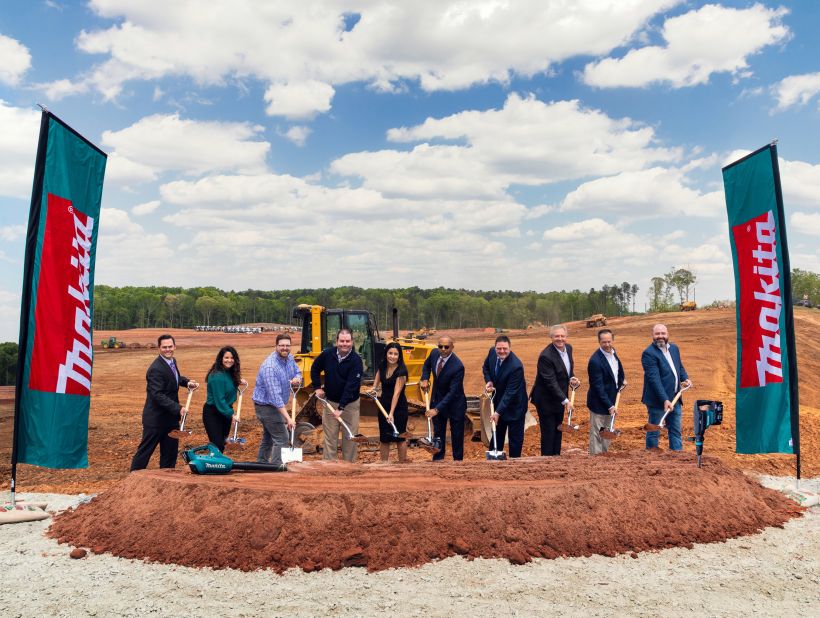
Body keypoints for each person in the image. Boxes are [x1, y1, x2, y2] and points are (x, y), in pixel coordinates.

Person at [130, 334, 198, 471]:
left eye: (170, 346)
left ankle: (166, 480)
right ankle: (133, 479)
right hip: (156, 420)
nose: (168, 349)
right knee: (145, 452)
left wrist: (187, 382)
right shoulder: (155, 369)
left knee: (170, 453)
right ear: (159, 349)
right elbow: (157, 395)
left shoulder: (172, 362)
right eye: (164, 347)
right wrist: (178, 408)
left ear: (175, 346)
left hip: (171, 419)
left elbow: (174, 378)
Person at [311, 328, 363, 462]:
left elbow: (351, 386)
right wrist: (317, 387)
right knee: (330, 438)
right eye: (342, 341)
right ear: (337, 341)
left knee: (350, 437)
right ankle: (329, 466)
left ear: (352, 342)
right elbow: (315, 368)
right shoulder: (327, 355)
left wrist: (341, 408)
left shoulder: (356, 361)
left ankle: (349, 466)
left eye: (347, 341)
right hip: (330, 403)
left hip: (349, 406)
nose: (344, 344)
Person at [529, 324, 579, 456]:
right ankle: (546, 461)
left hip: (559, 398)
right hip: (546, 400)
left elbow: (566, 370)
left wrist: (572, 378)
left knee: (558, 429)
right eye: (557, 336)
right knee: (549, 432)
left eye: (562, 336)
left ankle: (556, 457)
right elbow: (550, 382)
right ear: (551, 338)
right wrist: (566, 401)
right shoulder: (546, 356)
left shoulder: (568, 348)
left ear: (566, 337)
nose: (560, 339)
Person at [253, 333, 302, 466]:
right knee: (282, 438)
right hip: (266, 407)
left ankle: (261, 464)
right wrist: (289, 419)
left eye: (287, 345)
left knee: (268, 437)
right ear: (276, 346)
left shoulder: (289, 358)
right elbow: (275, 398)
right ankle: (276, 467)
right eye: (281, 345)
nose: (284, 348)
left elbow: (298, 372)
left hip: (273, 405)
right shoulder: (270, 367)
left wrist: (297, 379)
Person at [642, 323, 691, 451]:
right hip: (657, 400)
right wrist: (664, 399)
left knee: (675, 431)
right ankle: (652, 458)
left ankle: (677, 458)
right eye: (657, 334)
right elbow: (654, 379)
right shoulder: (648, 353)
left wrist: (685, 378)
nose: (660, 336)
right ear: (652, 336)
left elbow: (679, 367)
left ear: (667, 334)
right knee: (654, 431)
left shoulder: (674, 348)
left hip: (675, 398)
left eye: (663, 334)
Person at [420, 335, 467, 461]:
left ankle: (457, 462)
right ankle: (438, 461)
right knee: (439, 433)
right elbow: (427, 365)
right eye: (440, 346)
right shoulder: (434, 353)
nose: (443, 349)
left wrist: (436, 409)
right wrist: (424, 378)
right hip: (438, 399)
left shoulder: (458, 366)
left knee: (457, 436)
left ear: (452, 347)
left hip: (455, 405)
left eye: (446, 347)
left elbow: (453, 392)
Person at [482, 335, 528, 458]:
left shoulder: (516, 366)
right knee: (496, 434)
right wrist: (489, 381)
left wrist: (497, 413)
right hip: (498, 402)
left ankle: (514, 464)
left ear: (510, 348)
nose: (502, 351)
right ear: (495, 347)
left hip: (515, 407)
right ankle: (493, 462)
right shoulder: (492, 352)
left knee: (515, 440)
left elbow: (510, 393)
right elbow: (485, 367)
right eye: (499, 348)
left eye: (505, 349)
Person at [586, 329, 625, 455]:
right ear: (599, 342)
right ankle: (596, 459)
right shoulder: (595, 361)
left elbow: (617, 370)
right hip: (598, 402)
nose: (607, 344)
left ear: (612, 340)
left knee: (608, 430)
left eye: (609, 341)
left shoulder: (613, 353)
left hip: (611, 400)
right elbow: (598, 387)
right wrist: (609, 405)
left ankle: (604, 454)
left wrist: (621, 381)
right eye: (604, 342)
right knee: (598, 432)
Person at [201, 346, 247, 452]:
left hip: (224, 412)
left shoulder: (229, 373)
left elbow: (227, 384)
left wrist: (237, 380)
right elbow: (219, 400)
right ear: (221, 358)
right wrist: (231, 414)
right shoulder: (217, 376)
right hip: (213, 412)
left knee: (222, 443)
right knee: (217, 444)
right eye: (226, 357)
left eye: (232, 358)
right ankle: (213, 466)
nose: (229, 360)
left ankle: (217, 466)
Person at [372, 341, 409, 463]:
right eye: (390, 353)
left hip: (398, 408)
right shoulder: (382, 366)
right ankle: (384, 464)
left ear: (399, 356)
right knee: (384, 437)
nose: (392, 356)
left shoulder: (401, 371)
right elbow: (377, 381)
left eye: (395, 354)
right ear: (386, 354)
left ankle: (402, 464)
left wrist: (391, 413)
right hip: (383, 405)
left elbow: (396, 394)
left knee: (400, 437)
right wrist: (373, 389)